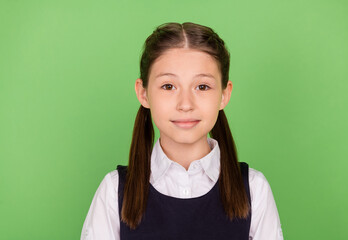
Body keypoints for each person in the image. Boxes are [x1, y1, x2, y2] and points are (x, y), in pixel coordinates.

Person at [81, 22, 284, 240]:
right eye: (168, 86)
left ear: (224, 95)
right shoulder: (113, 191)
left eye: (202, 87)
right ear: (143, 93)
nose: (185, 104)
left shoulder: (254, 189)